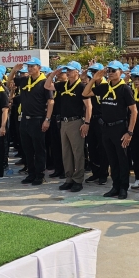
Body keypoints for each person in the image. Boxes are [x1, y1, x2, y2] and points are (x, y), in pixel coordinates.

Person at [83, 60, 137, 199]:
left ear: (120, 72)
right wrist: (94, 79)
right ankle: (115, 186)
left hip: (120, 128)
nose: (111, 73)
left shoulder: (125, 89)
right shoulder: (104, 87)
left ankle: (123, 187)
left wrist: (129, 132)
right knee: (112, 160)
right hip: (106, 128)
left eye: (114, 71)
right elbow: (85, 93)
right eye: (109, 71)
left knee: (122, 159)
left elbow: (134, 111)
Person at [46, 61, 91, 193]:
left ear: (77, 71)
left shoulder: (81, 86)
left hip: (76, 121)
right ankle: (69, 178)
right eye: (67, 70)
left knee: (77, 152)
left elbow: (89, 106)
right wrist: (53, 74)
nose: (68, 72)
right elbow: (47, 85)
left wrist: (86, 123)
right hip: (64, 122)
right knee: (66, 152)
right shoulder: (63, 85)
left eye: (71, 70)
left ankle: (78, 180)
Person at [9, 58, 53, 186]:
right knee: (27, 149)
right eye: (28, 66)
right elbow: (9, 81)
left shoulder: (44, 82)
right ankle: (31, 173)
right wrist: (14, 70)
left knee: (39, 149)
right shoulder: (24, 80)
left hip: (38, 119)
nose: (30, 68)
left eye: (33, 66)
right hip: (25, 119)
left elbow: (50, 101)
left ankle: (40, 175)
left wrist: (47, 119)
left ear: (39, 67)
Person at [84, 63, 109, 185]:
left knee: (103, 148)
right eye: (92, 72)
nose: (94, 74)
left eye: (96, 72)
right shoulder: (92, 85)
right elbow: (84, 93)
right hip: (92, 119)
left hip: (102, 119)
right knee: (92, 147)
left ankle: (103, 173)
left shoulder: (107, 85)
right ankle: (95, 172)